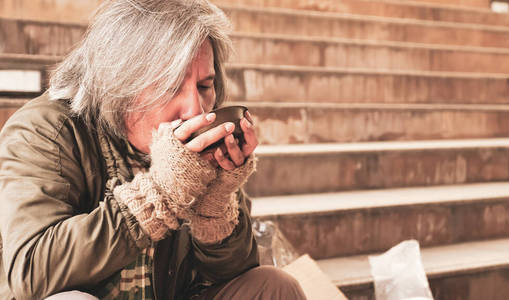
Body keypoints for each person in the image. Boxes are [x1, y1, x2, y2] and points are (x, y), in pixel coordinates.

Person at [0, 0, 306, 299]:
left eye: (204, 86)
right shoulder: (43, 130)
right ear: (120, 84)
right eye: (171, 86)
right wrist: (159, 194)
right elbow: (31, 272)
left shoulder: (197, 138)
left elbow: (235, 270)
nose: (195, 110)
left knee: (274, 286)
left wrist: (215, 204)